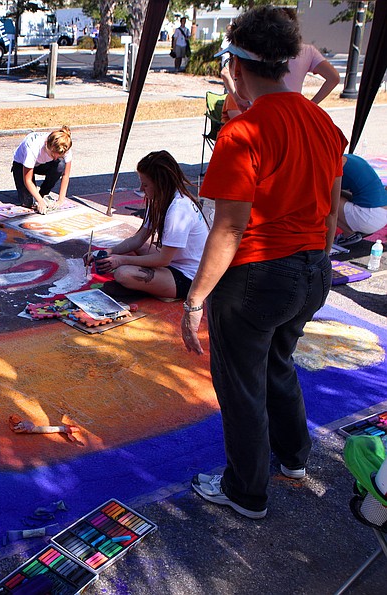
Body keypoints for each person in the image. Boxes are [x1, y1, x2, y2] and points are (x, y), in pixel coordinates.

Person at [183, 7, 347, 520]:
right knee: (279, 364)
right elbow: (332, 208)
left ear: (236, 64)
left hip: (257, 277)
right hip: (311, 270)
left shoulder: (243, 132)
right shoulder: (321, 120)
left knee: (240, 384)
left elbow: (229, 228)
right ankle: (293, 459)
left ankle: (245, 491)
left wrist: (195, 299)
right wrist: (315, 263)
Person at [89, 151, 209, 301]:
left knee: (123, 274)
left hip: (189, 277)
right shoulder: (160, 200)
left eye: (145, 184)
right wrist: (107, 252)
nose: (141, 189)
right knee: (134, 249)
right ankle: (151, 286)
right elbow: (138, 239)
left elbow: (163, 260)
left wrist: (120, 260)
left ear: (160, 184)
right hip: (175, 263)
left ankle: (149, 288)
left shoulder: (178, 209)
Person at [11, 126, 73, 214]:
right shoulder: (33, 147)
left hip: (42, 164)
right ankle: (37, 198)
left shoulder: (64, 146)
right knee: (28, 202)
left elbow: (65, 175)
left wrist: (60, 200)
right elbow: (27, 180)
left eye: (59, 156)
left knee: (60, 164)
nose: (55, 158)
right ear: (46, 144)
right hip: (21, 165)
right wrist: (40, 201)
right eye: (52, 155)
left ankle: (43, 192)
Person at [334, 154, 387, 245]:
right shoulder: (350, 158)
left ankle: (349, 234)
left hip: (369, 216)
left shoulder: (335, 163)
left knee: (325, 201)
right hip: (382, 215)